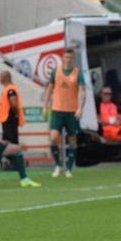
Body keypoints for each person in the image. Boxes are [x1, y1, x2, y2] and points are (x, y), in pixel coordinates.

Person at [41, 47, 86, 178]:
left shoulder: (77, 73)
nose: (69, 60)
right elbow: (49, 88)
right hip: (57, 110)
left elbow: (82, 90)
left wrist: (80, 108)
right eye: (67, 57)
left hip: (71, 111)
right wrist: (45, 106)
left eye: (71, 58)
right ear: (62, 58)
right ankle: (58, 165)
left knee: (72, 139)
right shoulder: (56, 71)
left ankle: (69, 169)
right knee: (53, 136)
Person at [98, 86, 121, 162]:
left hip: (117, 128)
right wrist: (108, 122)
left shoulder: (114, 105)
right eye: (105, 94)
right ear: (101, 94)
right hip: (107, 130)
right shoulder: (98, 106)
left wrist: (119, 121)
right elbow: (97, 120)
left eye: (110, 94)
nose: (108, 96)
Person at [0, 70, 24, 146]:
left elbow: (14, 104)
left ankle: (14, 156)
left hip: (9, 119)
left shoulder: (10, 89)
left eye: (0, 77)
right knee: (8, 141)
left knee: (10, 142)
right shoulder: (7, 89)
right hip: (7, 120)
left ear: (5, 78)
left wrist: (15, 114)